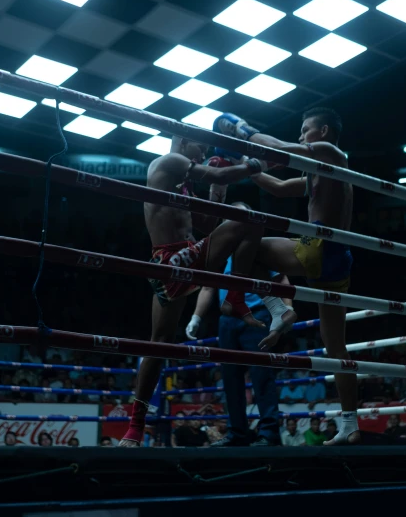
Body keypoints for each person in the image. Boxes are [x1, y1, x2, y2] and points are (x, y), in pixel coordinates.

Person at [120, 142, 293, 447]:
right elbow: (218, 174)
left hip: (191, 255)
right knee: (159, 344)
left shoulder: (184, 186)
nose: (202, 154)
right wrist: (258, 164)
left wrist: (216, 195)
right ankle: (135, 427)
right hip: (168, 259)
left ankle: (235, 298)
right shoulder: (167, 162)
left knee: (246, 216)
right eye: (199, 147)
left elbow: (208, 224)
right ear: (185, 142)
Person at [214, 108, 359, 445]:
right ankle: (351, 424)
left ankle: (278, 309)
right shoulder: (318, 172)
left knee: (246, 242)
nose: (300, 136)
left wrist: (241, 129)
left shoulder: (331, 153)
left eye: (305, 129)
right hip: (336, 260)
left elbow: (278, 148)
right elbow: (277, 187)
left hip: (319, 247)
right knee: (335, 346)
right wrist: (245, 169)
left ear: (323, 131)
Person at [187, 201, 291, 446]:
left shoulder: (256, 247)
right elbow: (207, 286)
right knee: (231, 379)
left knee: (261, 376)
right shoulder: (220, 253)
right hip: (228, 320)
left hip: (258, 317)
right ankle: (238, 433)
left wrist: (288, 310)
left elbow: (281, 277)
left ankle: (269, 434)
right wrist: (196, 318)